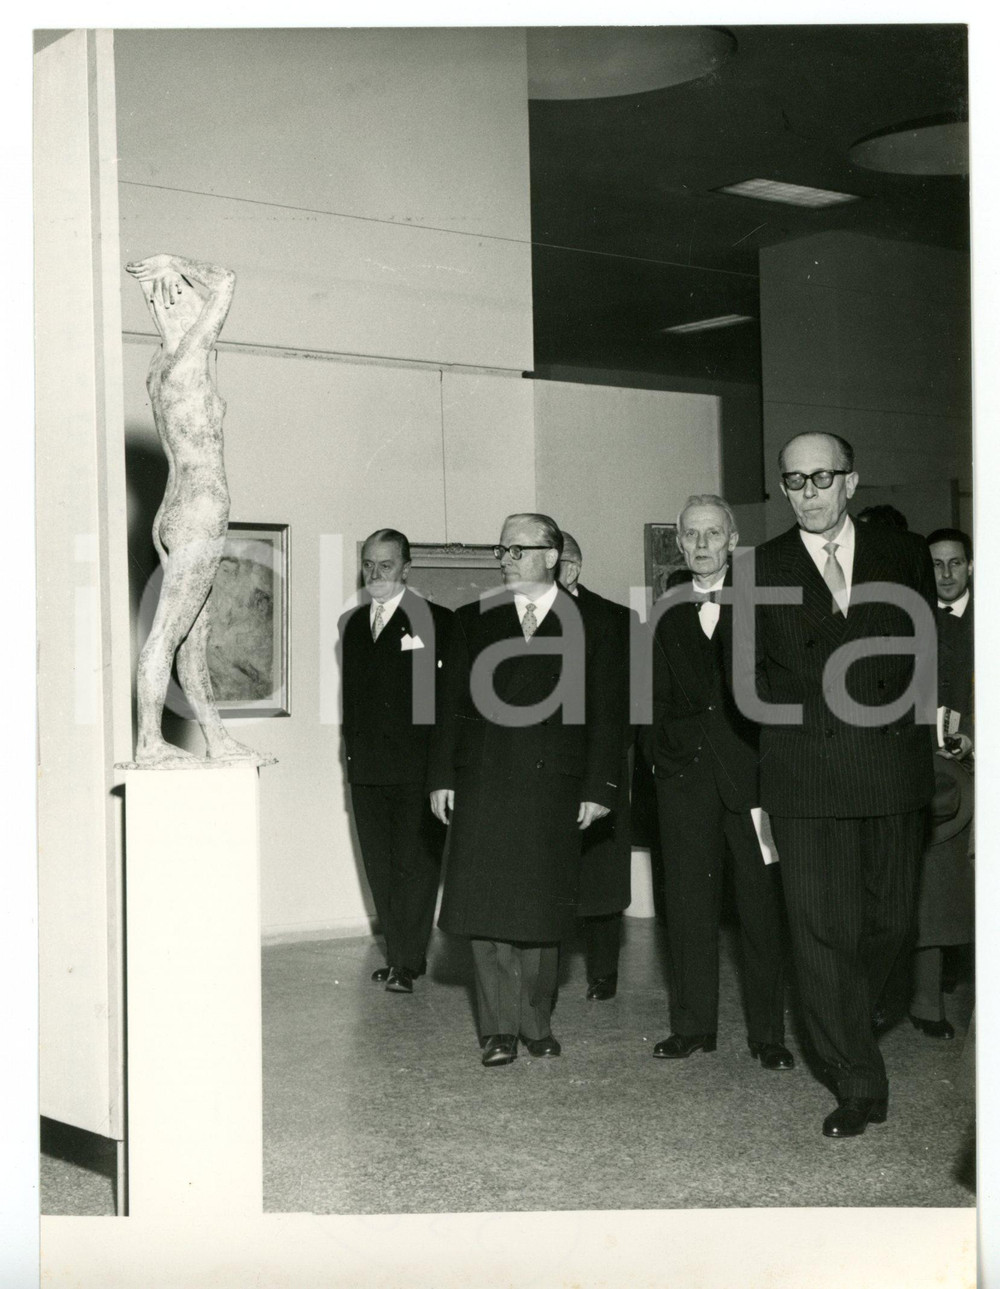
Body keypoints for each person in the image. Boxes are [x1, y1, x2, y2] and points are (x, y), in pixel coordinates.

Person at [749, 432, 936, 1138]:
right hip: (808, 771)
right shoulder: (761, 565)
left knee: (889, 922)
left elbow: (926, 653)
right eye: (793, 481)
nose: (807, 493)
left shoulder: (903, 554)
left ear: (851, 482)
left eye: (821, 478)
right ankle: (857, 1078)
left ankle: (854, 1017)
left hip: (891, 768)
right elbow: (746, 682)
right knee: (823, 932)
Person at [428, 513, 624, 1066]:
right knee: (487, 909)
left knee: (542, 911)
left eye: (518, 550)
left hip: (556, 784)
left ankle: (536, 1022)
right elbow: (449, 708)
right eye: (502, 550)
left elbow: (609, 714)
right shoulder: (473, 620)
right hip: (485, 778)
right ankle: (497, 1030)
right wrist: (442, 776)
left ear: (552, 555)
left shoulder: (598, 622)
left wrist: (600, 786)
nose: (505, 559)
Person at [646, 496, 791, 1069]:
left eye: (713, 533)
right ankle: (692, 1027)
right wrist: (659, 762)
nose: (702, 544)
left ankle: (768, 1035)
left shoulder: (764, 607)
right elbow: (647, 702)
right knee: (686, 908)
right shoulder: (663, 612)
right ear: (678, 544)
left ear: (733, 541)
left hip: (754, 783)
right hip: (684, 783)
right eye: (691, 535)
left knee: (761, 914)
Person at [126, 252, 264, 767]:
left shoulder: (159, 369)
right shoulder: (186, 357)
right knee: (168, 632)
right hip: (201, 505)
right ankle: (149, 741)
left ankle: (216, 736)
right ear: (173, 301)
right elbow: (226, 279)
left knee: (193, 634)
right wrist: (174, 263)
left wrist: (167, 287)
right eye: (182, 294)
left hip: (172, 507)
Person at [338, 529, 454, 994]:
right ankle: (397, 955)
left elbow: (445, 704)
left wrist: (440, 773)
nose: (375, 574)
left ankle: (409, 959)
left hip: (416, 769)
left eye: (386, 565)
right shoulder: (351, 624)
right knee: (380, 868)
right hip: (366, 770)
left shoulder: (436, 622)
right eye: (368, 564)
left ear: (407, 568)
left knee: (416, 867)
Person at [559, 533, 633, 1001]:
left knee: (601, 874)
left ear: (575, 567)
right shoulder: (510, 617)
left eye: (559, 560)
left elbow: (627, 703)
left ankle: (604, 973)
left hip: (598, 761)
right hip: (543, 767)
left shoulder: (615, 619)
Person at [908, 528, 975, 1037]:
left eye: (955, 563)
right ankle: (927, 1002)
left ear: (971, 567)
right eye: (937, 564)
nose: (947, 574)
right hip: (940, 770)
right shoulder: (911, 621)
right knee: (936, 884)